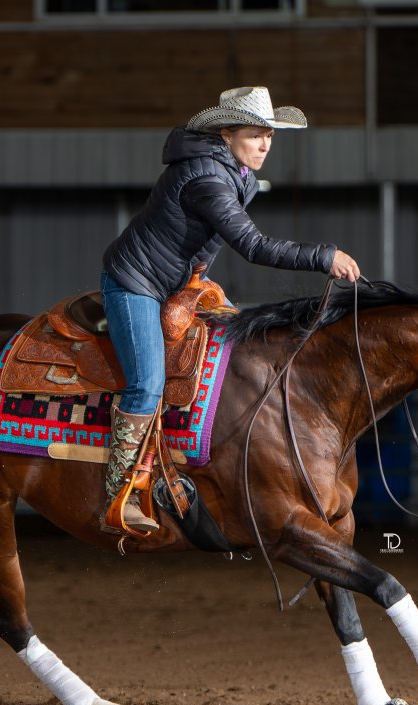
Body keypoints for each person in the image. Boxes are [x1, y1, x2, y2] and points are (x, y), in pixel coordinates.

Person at [100, 85, 362, 534]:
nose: (265, 144)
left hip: (176, 284)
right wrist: (323, 257)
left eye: (270, 135)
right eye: (255, 134)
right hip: (135, 283)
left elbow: (207, 240)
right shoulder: (209, 178)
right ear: (226, 133)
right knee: (148, 383)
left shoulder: (235, 173)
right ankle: (119, 493)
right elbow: (252, 245)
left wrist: (198, 279)